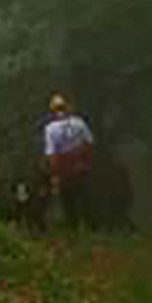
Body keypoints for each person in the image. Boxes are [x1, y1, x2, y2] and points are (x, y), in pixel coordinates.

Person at [43, 93, 96, 231]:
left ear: (53, 111)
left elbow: (51, 155)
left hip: (64, 169)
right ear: (67, 108)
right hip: (81, 167)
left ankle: (73, 229)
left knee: (68, 201)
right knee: (85, 198)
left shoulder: (50, 129)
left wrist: (54, 174)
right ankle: (90, 228)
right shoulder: (80, 123)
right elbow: (89, 144)